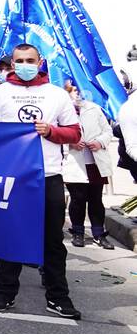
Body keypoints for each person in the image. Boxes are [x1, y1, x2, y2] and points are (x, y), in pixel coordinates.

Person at [0, 44, 81, 319]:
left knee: (53, 241)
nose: (25, 65)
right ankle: (5, 293)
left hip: (48, 177)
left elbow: (74, 133)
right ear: (12, 63)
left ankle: (58, 297)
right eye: (19, 60)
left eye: (30, 60)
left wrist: (51, 131)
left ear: (40, 61)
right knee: (9, 237)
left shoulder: (56, 95)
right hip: (12, 178)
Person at [63, 90, 114, 250]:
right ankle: (77, 232)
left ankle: (99, 233)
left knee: (96, 199)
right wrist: (70, 143)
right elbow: (53, 134)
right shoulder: (62, 109)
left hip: (95, 161)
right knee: (78, 198)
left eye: (78, 90)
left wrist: (100, 142)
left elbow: (108, 131)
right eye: (72, 90)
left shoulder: (93, 108)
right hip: (74, 161)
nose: (76, 94)